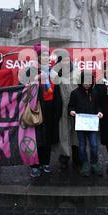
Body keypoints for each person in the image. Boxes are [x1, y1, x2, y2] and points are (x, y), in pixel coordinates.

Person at [28, 44, 62, 178]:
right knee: (36, 138)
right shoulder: (31, 71)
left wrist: (57, 110)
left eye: (48, 55)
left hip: (50, 109)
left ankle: (45, 162)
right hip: (36, 108)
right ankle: (34, 165)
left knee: (47, 137)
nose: (47, 57)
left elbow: (57, 93)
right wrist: (35, 80)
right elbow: (25, 90)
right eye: (44, 55)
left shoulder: (53, 72)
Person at [68, 71, 104, 177]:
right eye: (85, 82)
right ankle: (84, 164)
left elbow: (98, 106)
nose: (87, 84)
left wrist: (100, 112)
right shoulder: (75, 93)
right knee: (82, 146)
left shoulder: (95, 92)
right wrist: (72, 112)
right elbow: (71, 106)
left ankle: (94, 163)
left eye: (89, 82)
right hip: (81, 124)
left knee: (94, 145)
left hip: (92, 124)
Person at [50, 49, 80, 170]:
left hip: (76, 106)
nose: (66, 62)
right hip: (62, 106)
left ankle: (77, 155)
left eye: (68, 59)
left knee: (76, 131)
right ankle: (65, 156)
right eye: (63, 60)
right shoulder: (56, 74)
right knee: (64, 132)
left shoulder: (77, 71)